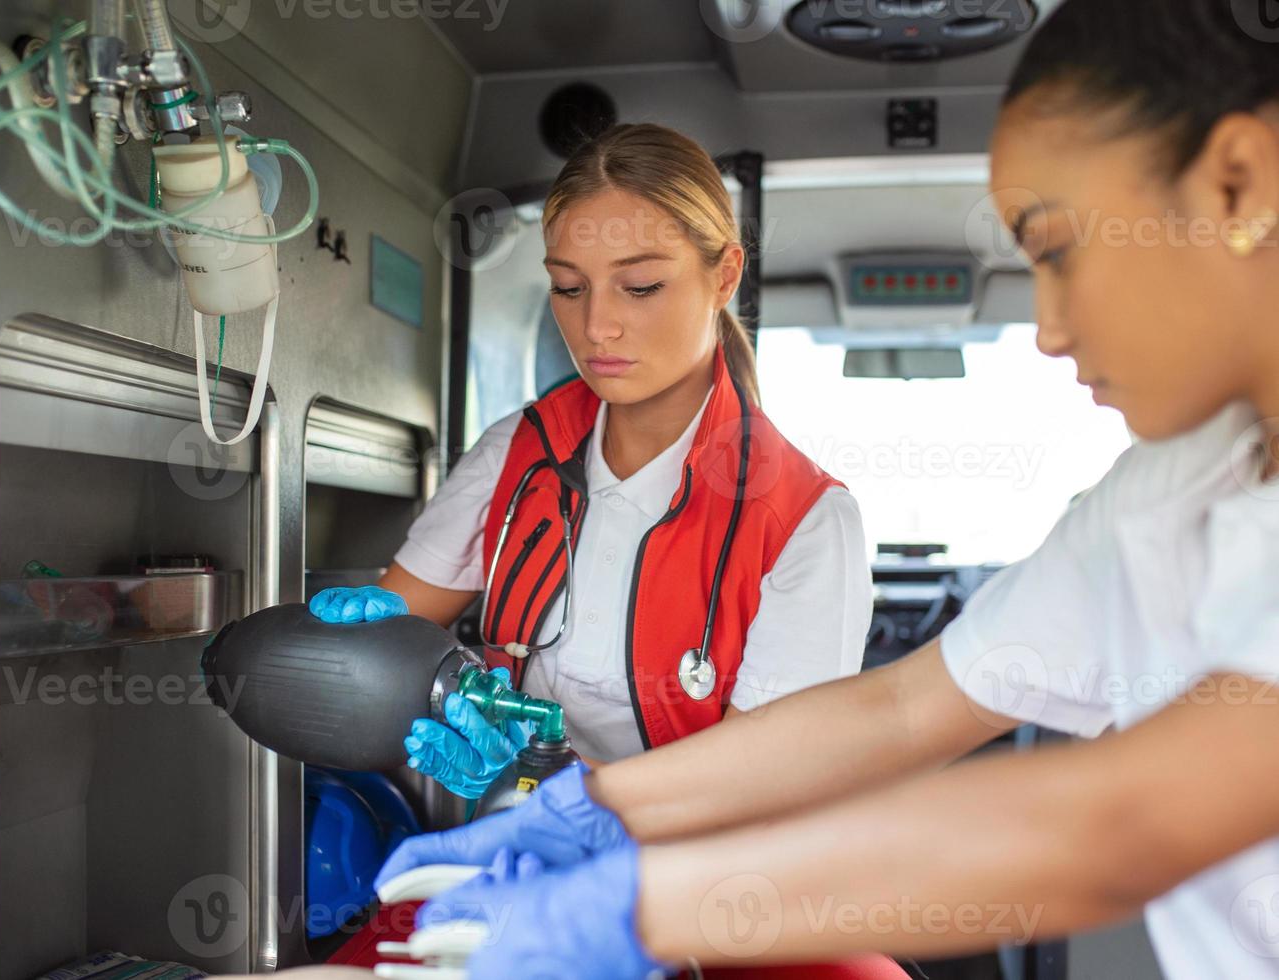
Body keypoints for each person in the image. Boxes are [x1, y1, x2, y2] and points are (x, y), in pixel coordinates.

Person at [379, 0, 1279, 976]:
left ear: (1239, 185)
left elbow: (1125, 823)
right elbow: (900, 710)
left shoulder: (799, 510)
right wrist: (595, 809)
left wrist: (652, 902)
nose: (1051, 329)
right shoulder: (1170, 486)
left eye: (1058, 249)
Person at [310, 123, 874, 790]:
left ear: (724, 276)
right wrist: (364, 649)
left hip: (704, 883)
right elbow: (382, 648)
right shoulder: (517, 454)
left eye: (639, 287)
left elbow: (759, 792)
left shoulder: (804, 522)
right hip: (517, 850)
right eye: (569, 288)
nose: (596, 326)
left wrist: (555, 785)